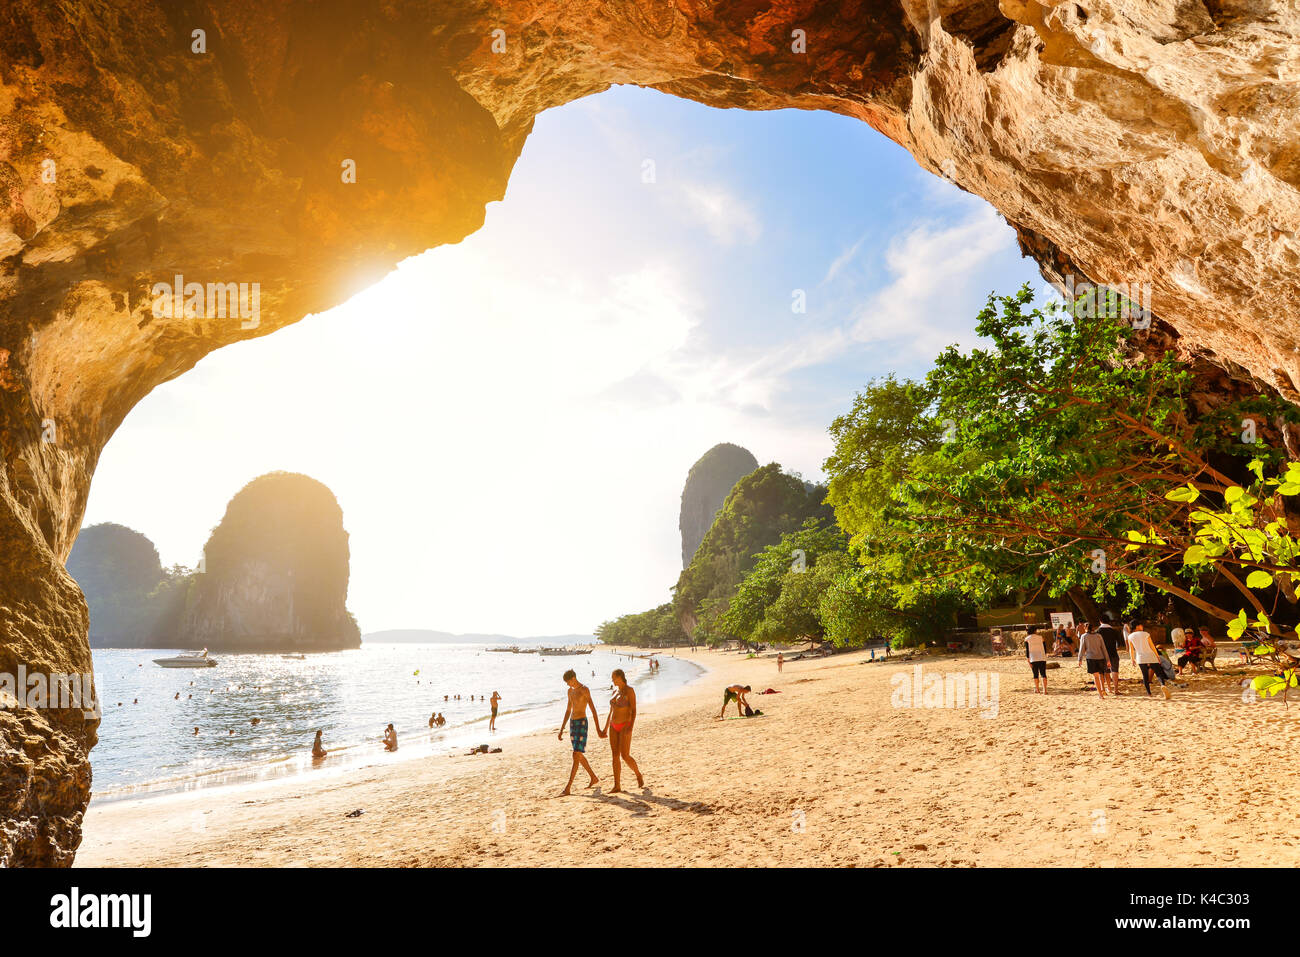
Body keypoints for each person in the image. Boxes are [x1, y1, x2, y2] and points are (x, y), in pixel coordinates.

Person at [557, 669, 605, 796]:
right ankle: (593, 778)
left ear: (573, 678)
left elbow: (593, 710)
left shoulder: (584, 690)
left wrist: (599, 729)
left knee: (575, 754)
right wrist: (562, 729)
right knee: (577, 755)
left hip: (582, 723)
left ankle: (568, 787)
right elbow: (568, 710)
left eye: (568, 682)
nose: (568, 685)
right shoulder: (570, 691)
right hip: (573, 724)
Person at [601, 669, 643, 793]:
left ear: (620, 677)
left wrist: (631, 727)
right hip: (613, 726)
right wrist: (605, 728)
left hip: (625, 725)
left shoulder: (629, 691)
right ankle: (617, 785)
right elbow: (611, 711)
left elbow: (634, 710)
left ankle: (638, 774)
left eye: (613, 677)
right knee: (614, 756)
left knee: (625, 755)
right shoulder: (615, 691)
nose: (612, 680)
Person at [1127, 619, 1171, 699]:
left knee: (1145, 676)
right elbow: (1152, 646)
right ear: (1137, 626)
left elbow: (1131, 649)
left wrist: (1132, 659)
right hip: (1151, 655)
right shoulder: (1146, 634)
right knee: (1159, 673)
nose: (1142, 626)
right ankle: (1163, 685)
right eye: (1141, 625)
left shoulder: (1130, 636)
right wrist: (1157, 656)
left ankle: (1149, 693)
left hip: (1140, 658)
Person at [1076, 622, 1109, 699]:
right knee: (1101, 675)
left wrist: (1079, 659)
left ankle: (1100, 694)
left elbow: (1082, 649)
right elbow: (1104, 648)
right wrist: (1107, 659)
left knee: (1096, 676)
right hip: (1100, 657)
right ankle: (1103, 690)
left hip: (1091, 658)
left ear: (1085, 628)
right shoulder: (1099, 636)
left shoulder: (1084, 636)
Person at [1098, 612, 1124, 696]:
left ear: (1100, 621)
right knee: (1115, 671)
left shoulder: (1098, 631)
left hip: (1102, 654)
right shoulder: (1114, 630)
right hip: (1113, 653)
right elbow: (1119, 644)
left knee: (1105, 671)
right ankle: (1116, 689)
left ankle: (1108, 688)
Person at [1024, 626, 1049, 694]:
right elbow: (1045, 647)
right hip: (1042, 657)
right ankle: (1045, 690)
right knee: (1043, 674)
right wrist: (1045, 654)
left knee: (1035, 674)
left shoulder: (1027, 639)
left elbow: (1027, 650)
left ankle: (1037, 689)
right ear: (1035, 630)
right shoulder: (1041, 637)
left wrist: (1028, 659)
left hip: (1033, 658)